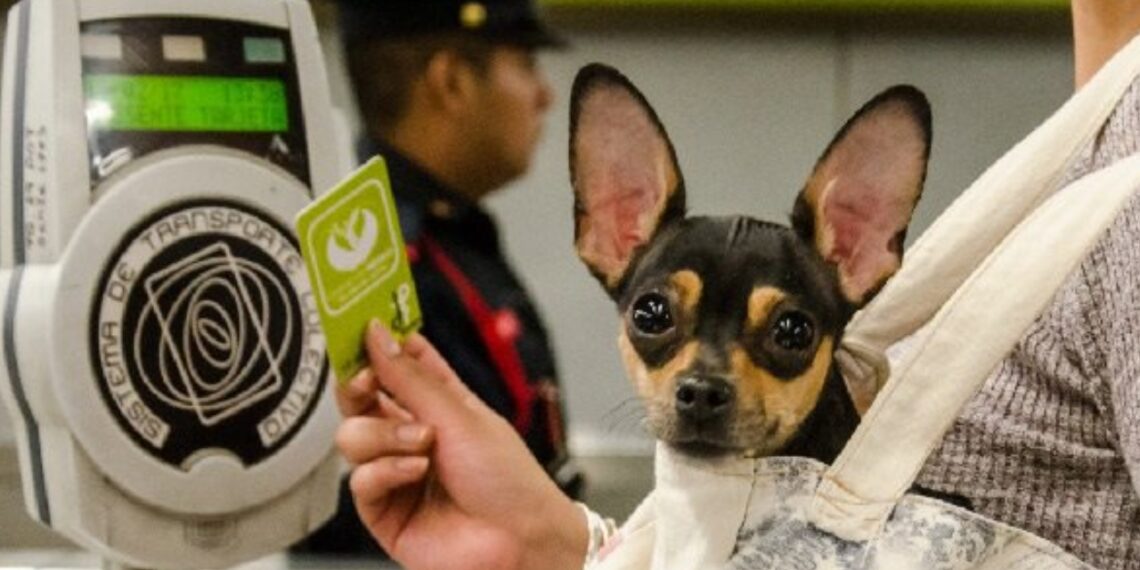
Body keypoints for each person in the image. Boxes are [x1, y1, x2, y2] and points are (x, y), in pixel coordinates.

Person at [334, 1, 1140, 568]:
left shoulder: (1124, 194)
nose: (705, 378)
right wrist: (560, 550)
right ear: (608, 228)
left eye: (784, 336)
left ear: (865, 250)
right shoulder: (1078, 160)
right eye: (657, 318)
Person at [295, 0, 583, 555]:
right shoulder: (377, 266)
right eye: (524, 64)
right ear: (450, 82)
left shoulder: (449, 235)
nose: (544, 95)